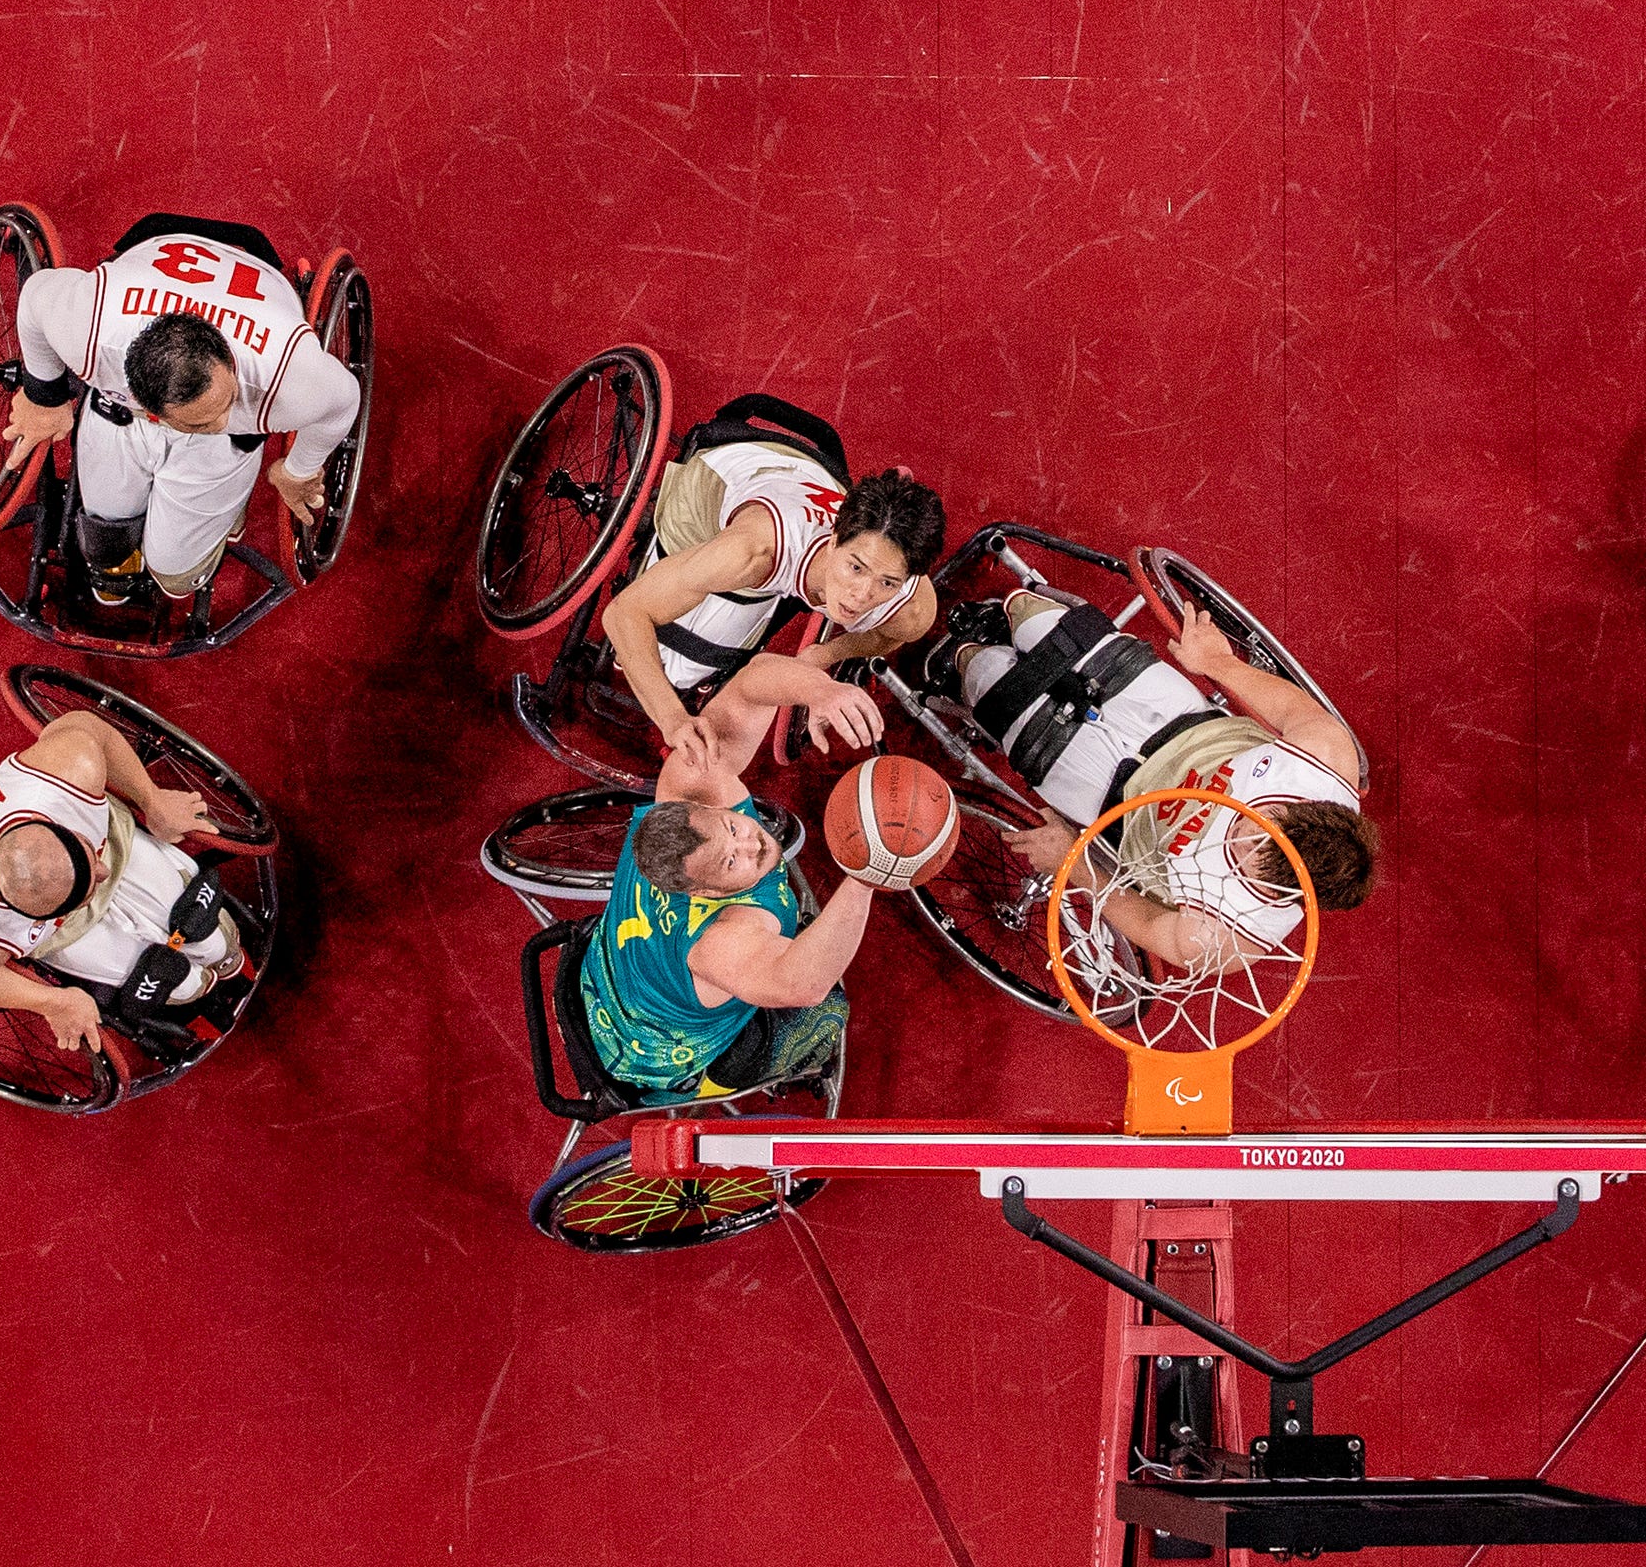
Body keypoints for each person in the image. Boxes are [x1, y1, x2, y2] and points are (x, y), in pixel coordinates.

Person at [934, 593, 1378, 970]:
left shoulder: (1239, 934)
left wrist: (1074, 862)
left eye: (1255, 853)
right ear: (1307, 806)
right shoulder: (1329, 763)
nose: (1248, 828)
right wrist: (1219, 663)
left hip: (1110, 798)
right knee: (1033, 616)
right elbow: (1295, 711)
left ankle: (967, 664)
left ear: (1281, 892)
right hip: (1178, 720)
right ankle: (1010, 622)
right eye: (1271, 819)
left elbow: (1150, 926)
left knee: (985, 671)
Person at [579, 651, 896, 1098]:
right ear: (706, 891)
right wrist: (865, 875)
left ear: (701, 805)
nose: (753, 842)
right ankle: (718, 1081)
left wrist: (821, 691)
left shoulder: (689, 781)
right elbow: (804, 985)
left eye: (732, 827)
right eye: (733, 862)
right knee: (827, 1011)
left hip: (610, 973)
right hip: (645, 1055)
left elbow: (751, 683)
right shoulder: (725, 941)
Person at [3, 213, 362, 604]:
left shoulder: (286, 374)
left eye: (223, 405)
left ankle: (215, 521)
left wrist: (299, 471)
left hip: (244, 334)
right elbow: (35, 297)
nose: (226, 417)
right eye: (208, 420)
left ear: (220, 351)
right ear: (152, 407)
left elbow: (345, 400)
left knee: (176, 577)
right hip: (125, 412)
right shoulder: (94, 334)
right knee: (104, 545)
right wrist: (45, 398)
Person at [601, 436, 944, 766]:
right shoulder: (750, 554)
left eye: (886, 582)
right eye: (856, 568)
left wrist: (824, 654)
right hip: (724, 476)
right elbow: (624, 613)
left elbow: (891, 635)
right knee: (678, 669)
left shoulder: (911, 606)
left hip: (811, 478)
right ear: (834, 540)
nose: (862, 595)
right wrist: (672, 718)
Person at [0, 713, 240, 1054]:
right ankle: (201, 991)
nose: (100, 874)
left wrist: (151, 799)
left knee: (216, 940)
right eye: (87, 888)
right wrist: (50, 1001)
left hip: (114, 844)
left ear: (61, 827)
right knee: (178, 982)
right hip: (67, 930)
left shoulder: (67, 770)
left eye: (90, 860)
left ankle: (228, 959)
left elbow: (88, 726)